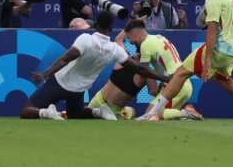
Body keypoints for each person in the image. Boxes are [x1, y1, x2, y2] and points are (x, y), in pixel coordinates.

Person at [21, 11, 169, 121]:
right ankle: (99, 112)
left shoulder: (86, 39)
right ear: (111, 29)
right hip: (78, 90)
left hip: (60, 83)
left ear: (95, 25)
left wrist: (45, 74)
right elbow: (140, 68)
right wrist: (163, 77)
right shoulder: (113, 49)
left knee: (26, 110)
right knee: (76, 115)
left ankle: (46, 113)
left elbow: (65, 59)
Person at [117, 20, 204, 121]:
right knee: (158, 115)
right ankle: (186, 113)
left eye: (129, 38)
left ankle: (186, 113)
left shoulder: (145, 44)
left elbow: (143, 71)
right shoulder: (159, 37)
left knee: (150, 115)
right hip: (184, 83)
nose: (131, 42)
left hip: (174, 84)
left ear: (135, 33)